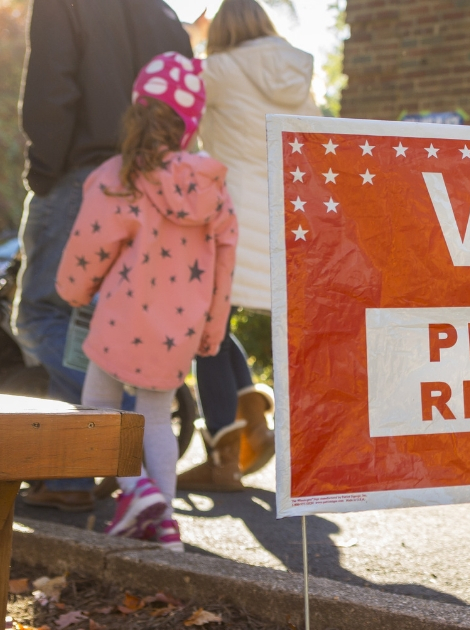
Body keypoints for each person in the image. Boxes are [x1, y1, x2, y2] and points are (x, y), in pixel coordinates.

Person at [14, 0, 193, 512]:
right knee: (93, 323)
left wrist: (43, 173)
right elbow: (183, 99)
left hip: (81, 173)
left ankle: (124, 439)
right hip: (152, 180)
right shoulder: (161, 12)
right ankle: (71, 476)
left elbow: (51, 89)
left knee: (41, 315)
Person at [55, 52, 238, 550]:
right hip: (178, 328)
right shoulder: (213, 188)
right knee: (156, 417)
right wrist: (212, 330)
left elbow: (89, 246)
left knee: (97, 408)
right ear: (189, 124)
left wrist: (72, 291)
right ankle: (165, 529)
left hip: (119, 318)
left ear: (137, 111)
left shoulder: (118, 176)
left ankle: (137, 492)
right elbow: (224, 265)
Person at [179, 0, 320, 492]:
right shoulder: (298, 74)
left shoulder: (216, 69)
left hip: (230, 220)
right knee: (213, 326)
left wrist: (193, 38)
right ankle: (253, 421)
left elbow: (175, 106)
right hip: (288, 219)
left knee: (205, 330)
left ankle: (224, 457)